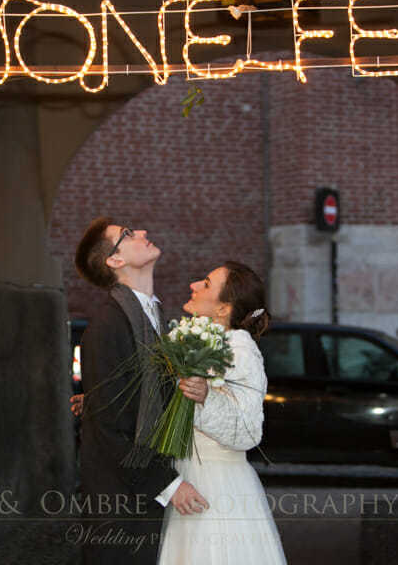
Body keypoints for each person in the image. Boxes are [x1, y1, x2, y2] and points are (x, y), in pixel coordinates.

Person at [73, 217, 210, 565]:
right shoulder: (107, 326)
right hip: (119, 502)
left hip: (143, 495)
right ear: (115, 261)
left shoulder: (158, 319)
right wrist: (170, 485)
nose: (144, 233)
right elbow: (109, 428)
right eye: (128, 235)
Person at [157, 261, 287, 565]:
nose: (193, 286)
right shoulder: (197, 343)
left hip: (216, 485)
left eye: (205, 283)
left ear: (222, 309)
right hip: (187, 476)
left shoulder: (241, 353)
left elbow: (249, 432)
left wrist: (204, 400)